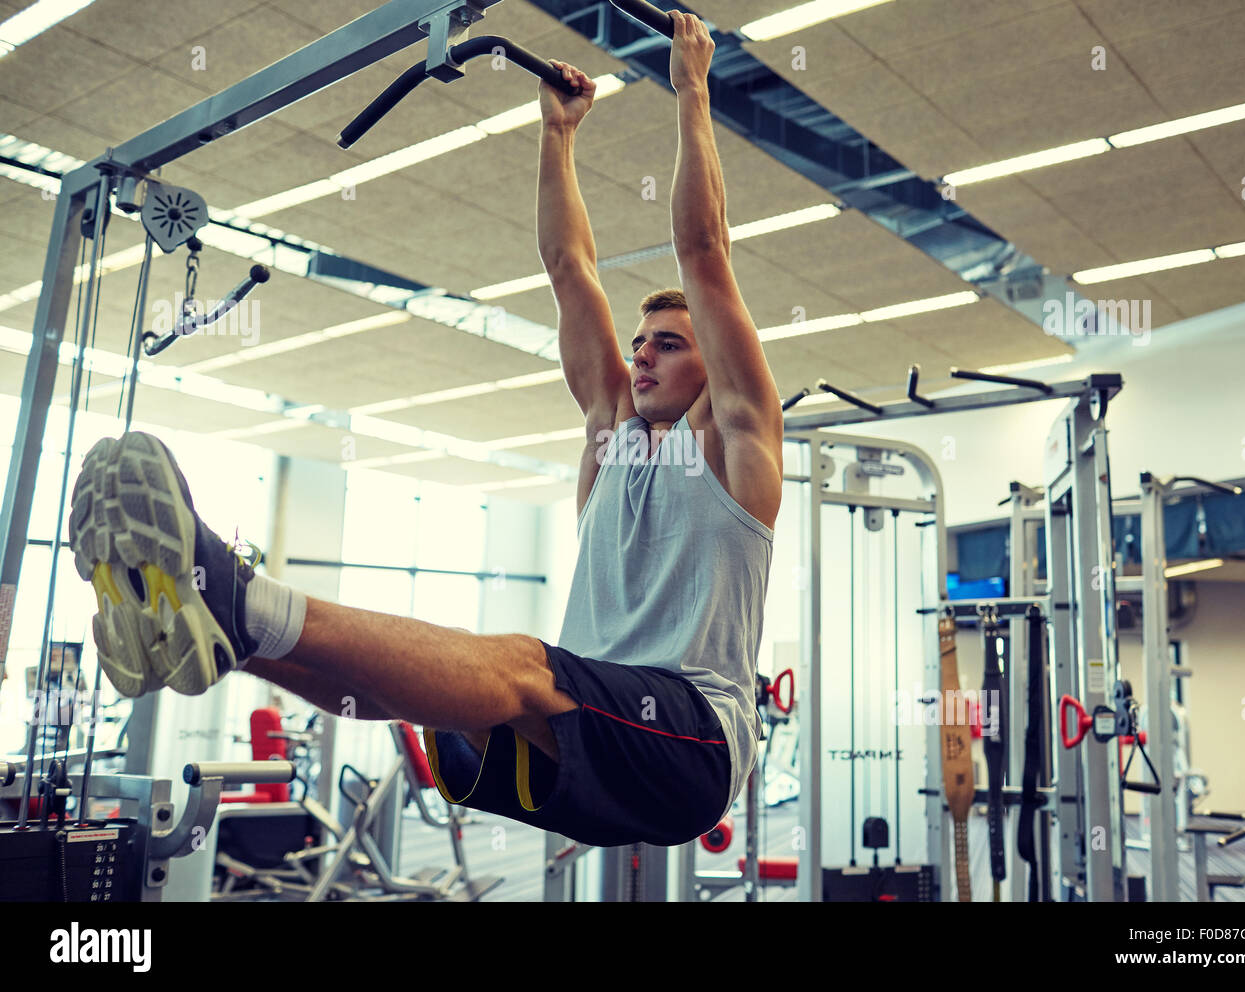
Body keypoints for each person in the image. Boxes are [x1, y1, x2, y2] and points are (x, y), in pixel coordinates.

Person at [68, 10, 783, 848]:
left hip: (689, 744)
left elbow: (704, 251)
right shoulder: (612, 440)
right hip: (589, 740)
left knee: (520, 664)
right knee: (435, 691)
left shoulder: (736, 445)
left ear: (714, 368)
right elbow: (568, 270)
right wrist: (557, 135)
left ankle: (238, 596)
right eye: (637, 344)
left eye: (669, 343)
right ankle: (230, 632)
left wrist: (691, 86)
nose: (642, 357)